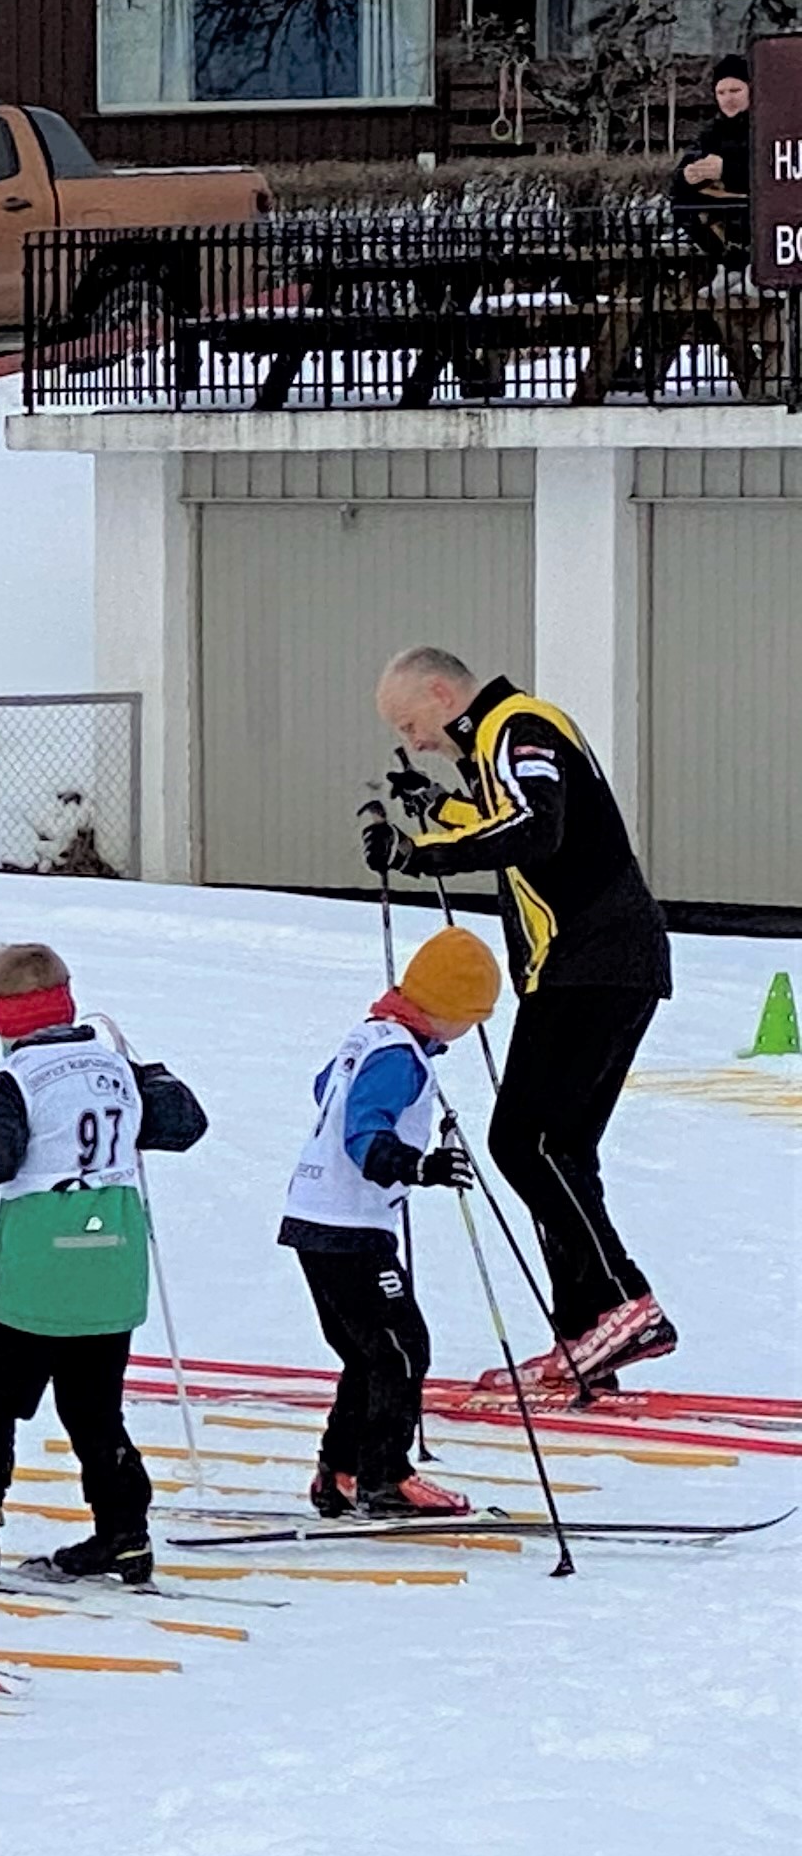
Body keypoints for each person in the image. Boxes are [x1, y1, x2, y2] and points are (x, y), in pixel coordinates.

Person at [365, 643, 671, 1389]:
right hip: (592, 965)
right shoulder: (495, 744)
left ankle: (623, 1303)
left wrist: (420, 852)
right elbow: (508, 818)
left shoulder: (517, 726)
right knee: (558, 1148)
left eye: (410, 723)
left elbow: (538, 828)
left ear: (442, 694)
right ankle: (590, 1335)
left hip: (592, 962)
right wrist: (439, 809)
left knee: (522, 1141)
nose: (415, 742)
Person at [0, 943, 209, 1588]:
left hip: (46, 1268)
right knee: (94, 1406)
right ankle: (124, 1532)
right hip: (115, 1262)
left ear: (3, 1017)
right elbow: (184, 1125)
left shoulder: (19, 1077)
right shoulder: (114, 1066)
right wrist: (150, 1073)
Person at [279, 929, 501, 1517]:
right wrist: (417, 1165)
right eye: (470, 1019)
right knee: (403, 1350)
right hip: (349, 1226)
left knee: (368, 1352)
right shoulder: (400, 1056)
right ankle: (385, 1476)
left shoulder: (371, 1035)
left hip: (313, 1217)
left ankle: (342, 1470)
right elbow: (364, 1134)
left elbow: (327, 1087)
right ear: (450, 1010)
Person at [673, 53, 753, 263]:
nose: (728, 98)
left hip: (758, 215)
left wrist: (727, 171)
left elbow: (778, 174)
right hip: (720, 218)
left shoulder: (768, 127)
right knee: (682, 203)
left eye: (735, 90)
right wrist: (688, 175)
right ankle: (725, 260)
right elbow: (681, 175)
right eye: (721, 92)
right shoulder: (711, 132)